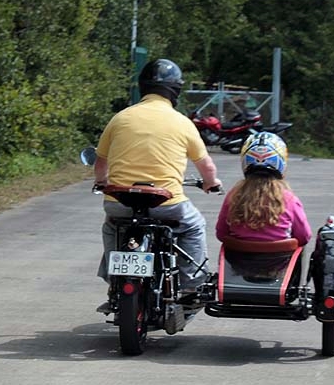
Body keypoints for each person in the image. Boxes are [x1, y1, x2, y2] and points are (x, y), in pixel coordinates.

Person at [93, 58, 222, 311]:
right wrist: (211, 183)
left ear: (143, 87)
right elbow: (206, 167)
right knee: (194, 226)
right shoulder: (182, 122)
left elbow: (100, 163)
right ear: (175, 90)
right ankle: (192, 285)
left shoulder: (120, 118)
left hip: (120, 203)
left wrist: (101, 182)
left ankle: (114, 281)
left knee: (112, 228)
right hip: (166, 203)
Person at [215, 132, 311, 247]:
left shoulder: (234, 196)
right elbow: (304, 236)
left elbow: (221, 233)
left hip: (239, 260)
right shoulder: (289, 199)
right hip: (279, 262)